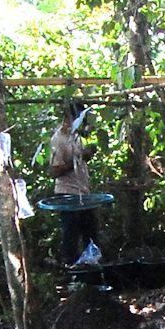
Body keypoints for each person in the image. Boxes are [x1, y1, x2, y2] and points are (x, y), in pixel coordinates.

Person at [47, 102, 100, 264]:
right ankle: (72, 269)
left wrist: (87, 155)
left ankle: (92, 267)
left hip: (83, 192)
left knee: (90, 233)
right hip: (68, 194)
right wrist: (79, 158)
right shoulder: (58, 139)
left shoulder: (76, 137)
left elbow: (79, 161)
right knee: (71, 234)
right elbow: (54, 171)